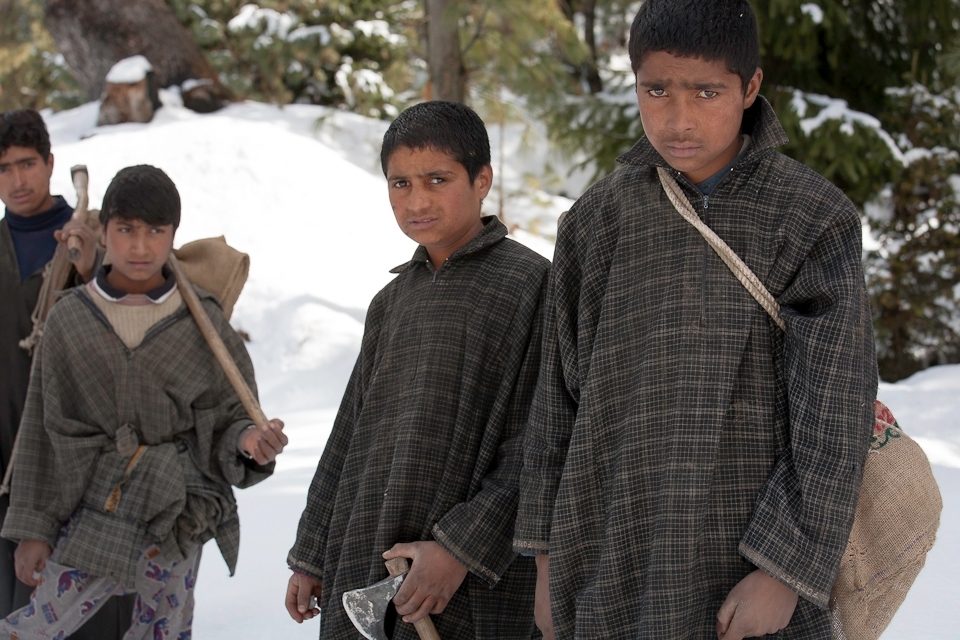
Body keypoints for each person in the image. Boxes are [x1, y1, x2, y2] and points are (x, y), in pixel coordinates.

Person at [513, 1, 878, 639]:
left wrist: (782, 571)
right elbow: (555, 406)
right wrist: (547, 560)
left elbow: (835, 413)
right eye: (657, 90)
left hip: (744, 563)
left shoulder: (813, 218)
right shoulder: (596, 220)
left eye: (707, 92)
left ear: (751, 88)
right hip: (608, 548)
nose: (679, 119)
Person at [285, 101, 549, 639]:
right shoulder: (390, 302)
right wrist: (312, 551)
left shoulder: (531, 286)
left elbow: (542, 444)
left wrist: (459, 548)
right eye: (399, 184)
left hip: (467, 578)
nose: (417, 200)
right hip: (367, 551)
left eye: (437, 179)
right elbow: (348, 436)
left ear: (482, 180)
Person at [0, 164, 288, 639]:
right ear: (105, 231)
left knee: (163, 631)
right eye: (126, 230)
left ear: (174, 235)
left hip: (175, 510)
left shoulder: (201, 321)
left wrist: (248, 440)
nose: (139, 246)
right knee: (37, 626)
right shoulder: (70, 319)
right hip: (90, 507)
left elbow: (227, 417)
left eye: (156, 231)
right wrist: (35, 528)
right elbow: (41, 431)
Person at [0, 109, 138, 639]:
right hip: (6, 467)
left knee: (88, 617)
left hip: (81, 466)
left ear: (51, 162)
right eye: (5, 167)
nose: (17, 180)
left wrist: (88, 269)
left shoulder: (96, 240)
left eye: (28, 164)